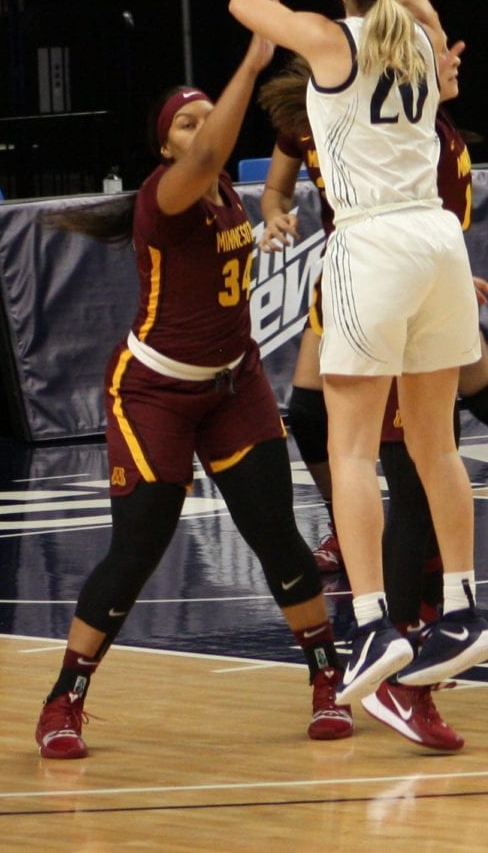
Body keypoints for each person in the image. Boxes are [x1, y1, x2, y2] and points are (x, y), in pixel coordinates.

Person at [229, 0, 488, 711]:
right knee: (433, 441)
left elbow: (243, 3)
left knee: (351, 447)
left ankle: (377, 620)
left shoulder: (326, 38)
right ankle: (461, 608)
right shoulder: (424, 32)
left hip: (372, 242)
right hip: (438, 242)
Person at [32, 37, 352, 760]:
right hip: (154, 393)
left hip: (235, 383)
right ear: (164, 145)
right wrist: (247, 63)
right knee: (139, 545)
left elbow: (236, 176)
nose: (201, 128)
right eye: (186, 121)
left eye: (208, 117)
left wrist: (273, 216)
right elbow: (208, 152)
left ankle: (326, 678)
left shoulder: (225, 194)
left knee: (277, 532)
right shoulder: (165, 194)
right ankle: (64, 697)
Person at [260, 48, 488, 571]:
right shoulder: (309, 117)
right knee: (309, 414)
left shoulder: (399, 120)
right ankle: (347, 528)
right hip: (352, 274)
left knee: (485, 400)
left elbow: (427, 214)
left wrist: (443, 269)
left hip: (413, 269)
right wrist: (274, 216)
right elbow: (277, 187)